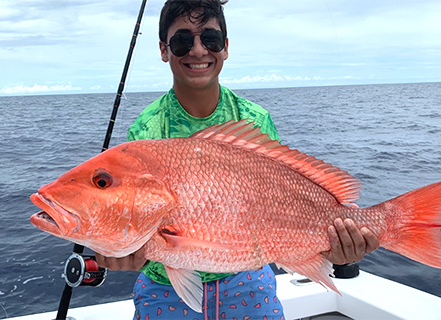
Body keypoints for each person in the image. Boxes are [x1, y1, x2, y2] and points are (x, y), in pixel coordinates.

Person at [96, 0, 380, 319]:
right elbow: (142, 229)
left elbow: (284, 199)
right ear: (164, 50)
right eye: (182, 41)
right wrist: (127, 252)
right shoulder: (148, 130)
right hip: (164, 288)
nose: (198, 50)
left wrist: (338, 244)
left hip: (247, 280)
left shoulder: (253, 120)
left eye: (211, 39)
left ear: (226, 47)